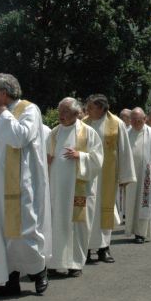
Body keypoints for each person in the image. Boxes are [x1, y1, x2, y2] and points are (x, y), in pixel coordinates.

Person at [0, 73, 50, 297]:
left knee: (24, 231)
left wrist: (4, 116)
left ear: (4, 93)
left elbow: (20, 138)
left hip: (21, 183)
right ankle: (8, 281)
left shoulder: (29, 109)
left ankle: (39, 270)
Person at [46, 98, 103, 277]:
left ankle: (75, 264)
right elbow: (46, 155)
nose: (61, 115)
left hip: (78, 188)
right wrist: (46, 160)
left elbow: (98, 158)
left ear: (76, 113)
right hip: (57, 188)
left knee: (78, 225)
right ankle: (56, 262)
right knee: (57, 223)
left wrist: (81, 155)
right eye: (60, 111)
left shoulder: (88, 133)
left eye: (65, 112)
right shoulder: (54, 133)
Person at [83, 94, 136, 264]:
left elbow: (124, 150)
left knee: (104, 211)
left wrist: (126, 175)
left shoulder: (116, 124)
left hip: (107, 175)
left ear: (101, 108)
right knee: (88, 211)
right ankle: (86, 248)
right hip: (88, 175)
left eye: (90, 107)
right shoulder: (84, 123)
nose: (87, 110)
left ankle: (104, 248)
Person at [124, 108, 151, 243]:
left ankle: (141, 233)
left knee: (144, 203)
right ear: (130, 120)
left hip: (146, 175)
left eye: (139, 120)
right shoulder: (126, 133)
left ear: (144, 119)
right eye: (134, 120)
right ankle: (131, 229)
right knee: (131, 204)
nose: (137, 122)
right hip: (130, 176)